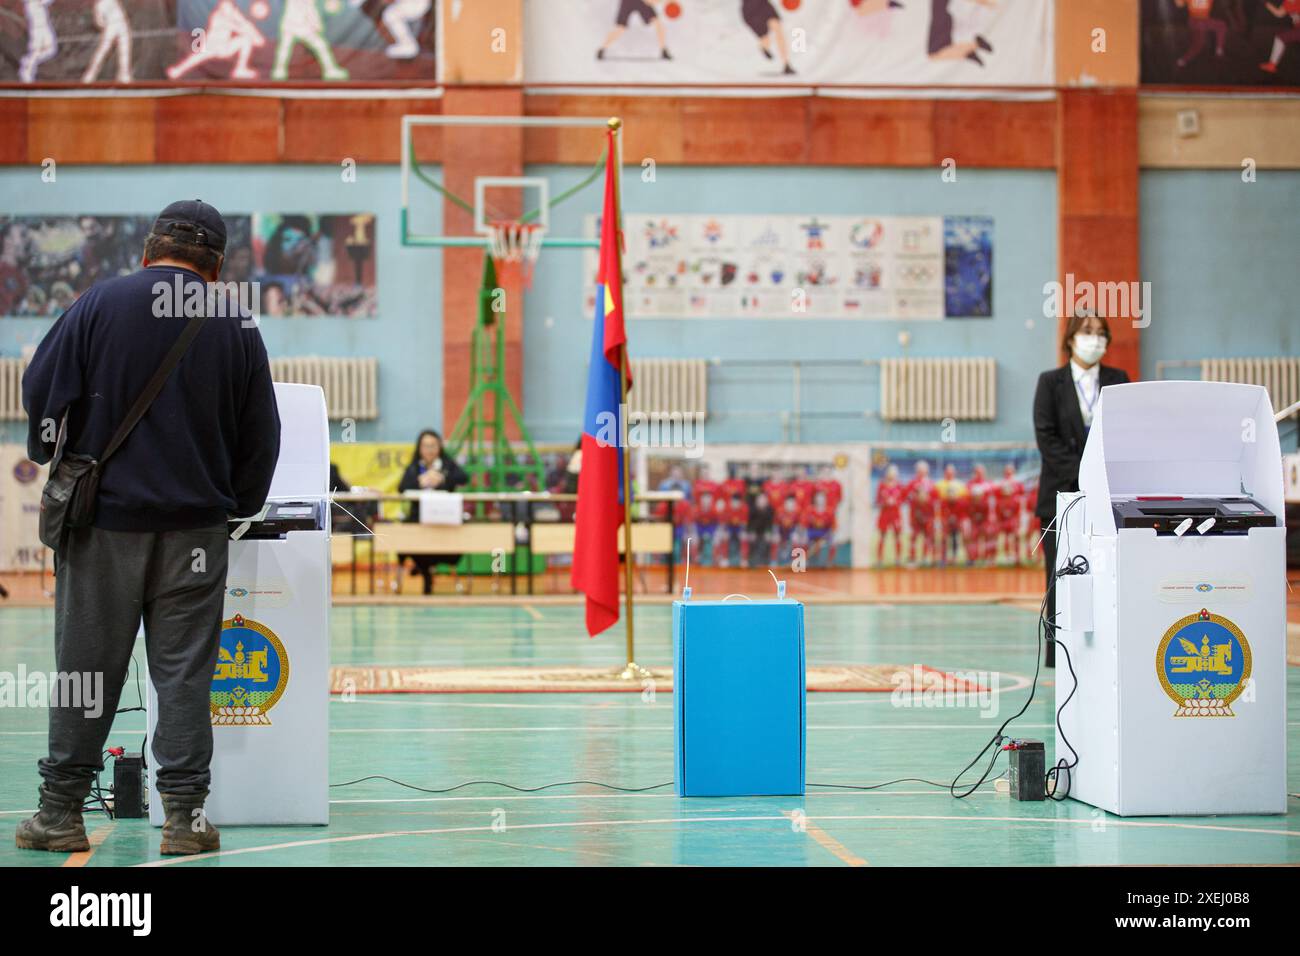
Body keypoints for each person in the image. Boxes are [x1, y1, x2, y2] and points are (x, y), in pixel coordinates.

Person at [18, 199, 281, 855]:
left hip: (105, 527)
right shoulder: (237, 324)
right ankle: (185, 820)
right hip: (196, 533)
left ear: (148, 249)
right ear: (216, 265)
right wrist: (232, 505)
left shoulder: (98, 303)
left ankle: (60, 814)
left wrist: (48, 446)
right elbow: (262, 438)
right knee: (186, 677)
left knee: (86, 672)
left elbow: (40, 390)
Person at [1033, 309, 1130, 666]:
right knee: (1060, 577)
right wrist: (1082, 477)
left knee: (1105, 573)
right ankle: (1059, 654)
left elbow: (1123, 434)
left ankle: (1106, 651)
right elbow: (1046, 437)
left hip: (1107, 496)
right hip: (1061, 496)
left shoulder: (1119, 380)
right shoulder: (1049, 382)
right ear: (1071, 339)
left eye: (1101, 332)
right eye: (1087, 332)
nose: (1095, 339)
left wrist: (1100, 482)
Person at [397, 429, 469, 595]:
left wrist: (443, 478)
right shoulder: (414, 467)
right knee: (407, 538)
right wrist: (420, 482)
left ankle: (425, 569)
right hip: (419, 519)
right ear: (419, 448)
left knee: (458, 539)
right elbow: (402, 488)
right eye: (425, 446)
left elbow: (463, 477)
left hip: (445, 520)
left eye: (433, 446)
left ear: (439, 447)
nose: (429, 450)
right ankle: (425, 572)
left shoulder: (447, 465)